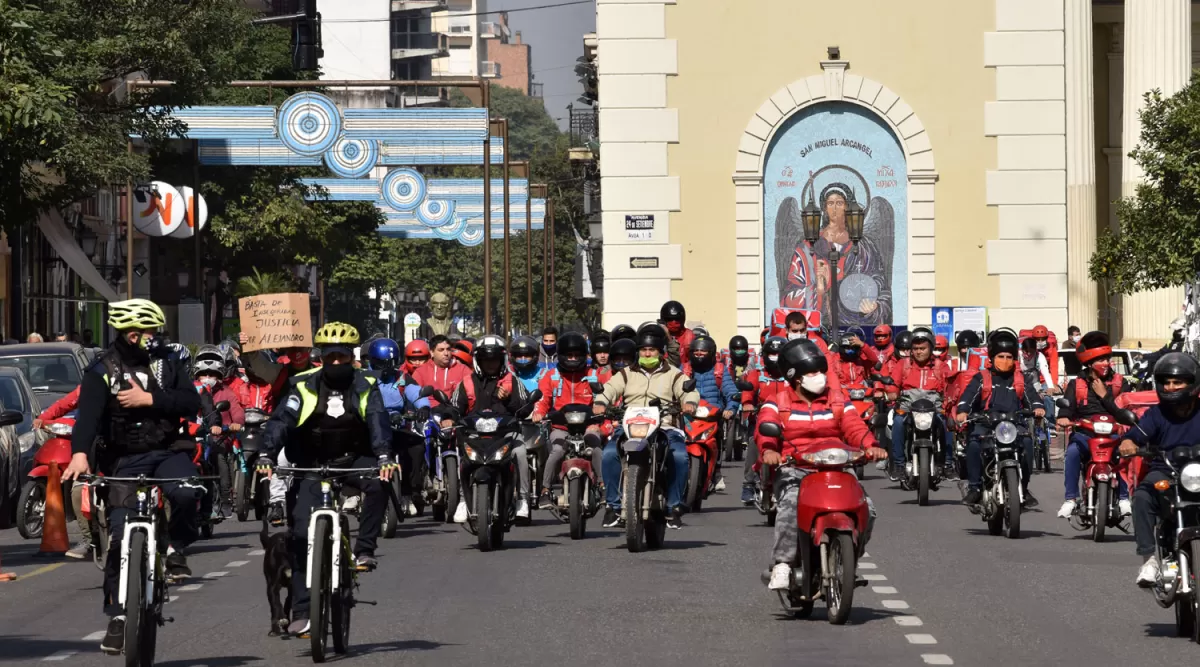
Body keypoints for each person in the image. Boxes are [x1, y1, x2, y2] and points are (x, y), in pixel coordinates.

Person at [60, 299, 202, 655]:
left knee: (187, 492)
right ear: (125, 333)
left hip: (168, 452)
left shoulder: (168, 366)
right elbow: (87, 418)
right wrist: (79, 454)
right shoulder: (100, 370)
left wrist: (149, 399)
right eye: (140, 333)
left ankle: (175, 548)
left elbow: (190, 403)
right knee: (120, 539)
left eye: (153, 332)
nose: (148, 339)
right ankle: (118, 617)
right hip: (123, 461)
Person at [257, 322, 394, 637]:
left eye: (341, 357)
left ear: (351, 357)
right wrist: (266, 453)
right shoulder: (303, 384)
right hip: (311, 463)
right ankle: (303, 612)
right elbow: (281, 420)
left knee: (379, 484)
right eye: (329, 356)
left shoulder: (366, 383)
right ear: (320, 357)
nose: (335, 363)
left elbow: (376, 419)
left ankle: (364, 550)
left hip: (353, 459)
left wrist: (384, 456)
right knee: (300, 535)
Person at [758, 338, 886, 589]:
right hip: (795, 467)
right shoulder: (778, 401)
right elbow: (765, 427)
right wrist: (769, 450)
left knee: (867, 509)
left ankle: (849, 563)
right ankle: (782, 564)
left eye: (820, 371)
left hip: (836, 465)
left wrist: (870, 445)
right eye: (812, 373)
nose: (819, 377)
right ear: (796, 377)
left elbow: (853, 425)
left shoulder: (837, 398)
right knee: (790, 505)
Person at [595, 323, 699, 529]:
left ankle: (673, 507)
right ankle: (613, 506)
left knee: (679, 456)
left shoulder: (674, 374)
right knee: (608, 454)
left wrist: (690, 403)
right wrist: (600, 402)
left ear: (660, 352)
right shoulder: (625, 374)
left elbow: (688, 391)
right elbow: (609, 390)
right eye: (643, 349)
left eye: (651, 349)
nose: (647, 353)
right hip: (629, 426)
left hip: (665, 426)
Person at [1120, 353, 1200, 586]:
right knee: (1143, 496)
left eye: (1178, 382)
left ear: (1193, 382)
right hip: (1166, 471)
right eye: (1166, 382)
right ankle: (1149, 560)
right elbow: (1135, 436)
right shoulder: (1156, 413)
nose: (1171, 387)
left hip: (1197, 473)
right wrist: (1129, 444)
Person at [441, 335, 533, 522]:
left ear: (503, 360)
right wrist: (448, 418)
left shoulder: (512, 380)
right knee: (462, 456)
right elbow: (454, 406)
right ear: (478, 361)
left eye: (495, 360)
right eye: (486, 360)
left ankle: (523, 499)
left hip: (506, 436)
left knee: (521, 452)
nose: (491, 364)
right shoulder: (466, 382)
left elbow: (525, 408)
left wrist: (509, 398)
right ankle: (462, 499)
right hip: (474, 437)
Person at [956, 329, 1044, 509]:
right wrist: (963, 411)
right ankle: (974, 488)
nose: (1005, 361)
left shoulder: (1020, 379)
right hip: (985, 424)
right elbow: (968, 396)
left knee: (1027, 442)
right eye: (1001, 356)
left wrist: (1038, 408)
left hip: (1013, 424)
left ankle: (1024, 488)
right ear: (992, 357)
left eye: (1009, 357)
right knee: (973, 443)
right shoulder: (982, 378)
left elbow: (1033, 397)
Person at [1055, 331, 1133, 519]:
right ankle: (1070, 499)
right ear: (1090, 363)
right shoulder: (1077, 384)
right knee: (1072, 453)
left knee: (1124, 455)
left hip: (1113, 434)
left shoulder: (1120, 383)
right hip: (1085, 433)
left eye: (1108, 359)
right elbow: (1068, 406)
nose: (1106, 363)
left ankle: (1124, 498)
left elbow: (1125, 410)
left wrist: (1104, 395)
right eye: (1101, 360)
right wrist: (1063, 417)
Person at [532, 332, 602, 509]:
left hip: (588, 425)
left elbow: (604, 397)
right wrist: (539, 413)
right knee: (556, 451)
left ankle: (603, 486)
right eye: (569, 355)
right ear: (561, 356)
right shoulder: (551, 376)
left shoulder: (593, 375)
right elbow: (543, 399)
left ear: (584, 356)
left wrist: (602, 409)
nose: (572, 359)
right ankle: (546, 490)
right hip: (561, 426)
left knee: (596, 449)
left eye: (576, 355)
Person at [364, 337, 430, 516]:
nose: (386, 369)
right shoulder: (363, 378)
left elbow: (415, 393)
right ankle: (352, 493)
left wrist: (423, 407)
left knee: (416, 447)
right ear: (372, 361)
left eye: (391, 364)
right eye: (382, 364)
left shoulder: (401, 378)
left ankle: (409, 493)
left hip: (397, 424)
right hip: (370, 428)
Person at [886, 327, 949, 481]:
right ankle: (899, 465)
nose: (918, 352)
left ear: (931, 348)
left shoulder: (941, 366)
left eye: (923, 348)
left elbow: (949, 388)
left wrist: (949, 401)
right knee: (898, 422)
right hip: (908, 405)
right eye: (915, 348)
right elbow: (893, 384)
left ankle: (948, 463)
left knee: (946, 425)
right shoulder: (903, 364)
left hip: (934, 406)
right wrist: (892, 392)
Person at [687, 335, 740, 489]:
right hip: (688, 416)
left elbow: (731, 393)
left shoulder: (719, 370)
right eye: (696, 351)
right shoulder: (684, 369)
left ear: (711, 352)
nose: (699, 354)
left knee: (717, 440)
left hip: (712, 417)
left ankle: (716, 471)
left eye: (703, 351)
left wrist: (730, 409)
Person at [740, 336, 788, 504]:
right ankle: (748, 484)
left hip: (787, 419)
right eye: (771, 354)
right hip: (762, 418)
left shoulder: (792, 374)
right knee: (754, 442)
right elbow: (749, 390)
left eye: (778, 354)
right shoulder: (757, 373)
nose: (775, 357)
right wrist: (747, 403)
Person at [412, 335, 471, 407]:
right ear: (432, 352)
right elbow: (414, 396)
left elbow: (472, 394)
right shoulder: (420, 372)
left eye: (448, 349)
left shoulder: (463, 370)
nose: (446, 353)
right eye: (441, 350)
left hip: (455, 412)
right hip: (429, 413)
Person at [660, 300, 694, 369]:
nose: (674, 322)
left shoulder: (689, 336)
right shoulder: (658, 335)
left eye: (677, 319)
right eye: (670, 319)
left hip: (683, 373)